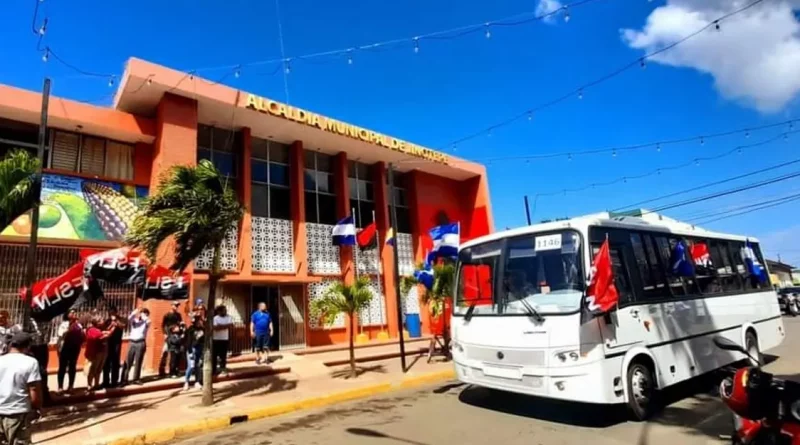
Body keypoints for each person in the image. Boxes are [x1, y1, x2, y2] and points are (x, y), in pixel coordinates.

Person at [0, 332, 42, 445]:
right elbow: (34, 390)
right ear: (28, 346)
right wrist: (36, 408)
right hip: (19, 413)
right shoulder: (31, 362)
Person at [55, 310, 84, 394]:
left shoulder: (78, 324)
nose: (74, 313)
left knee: (72, 366)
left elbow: (81, 335)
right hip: (65, 347)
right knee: (62, 367)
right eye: (72, 312)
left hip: (75, 348)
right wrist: (69, 329)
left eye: (75, 312)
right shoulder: (64, 324)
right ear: (67, 315)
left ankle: (71, 386)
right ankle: (60, 387)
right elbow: (61, 334)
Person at [121, 307, 150, 386]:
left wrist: (144, 315)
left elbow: (148, 321)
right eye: (142, 313)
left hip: (140, 342)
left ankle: (136, 379)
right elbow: (129, 318)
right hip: (132, 342)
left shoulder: (146, 322)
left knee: (138, 361)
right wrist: (136, 311)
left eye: (144, 314)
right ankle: (124, 379)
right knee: (128, 361)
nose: (142, 315)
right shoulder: (135, 321)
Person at [83, 316, 112, 392]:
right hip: (95, 353)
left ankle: (96, 384)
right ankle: (89, 385)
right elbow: (98, 337)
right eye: (101, 320)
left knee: (99, 369)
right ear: (97, 322)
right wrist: (106, 335)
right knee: (92, 369)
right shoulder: (91, 330)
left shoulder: (100, 329)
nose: (103, 321)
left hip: (103, 352)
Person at [27, 319, 51, 405]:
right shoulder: (27, 320)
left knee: (43, 371)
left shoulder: (45, 319)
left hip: (42, 346)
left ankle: (45, 394)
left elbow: (47, 333)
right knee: (33, 371)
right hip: (32, 347)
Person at [102, 306, 126, 389]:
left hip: (117, 344)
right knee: (106, 363)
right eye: (110, 313)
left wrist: (116, 321)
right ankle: (106, 381)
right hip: (108, 343)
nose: (111, 314)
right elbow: (103, 329)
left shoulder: (121, 319)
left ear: (116, 312)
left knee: (115, 362)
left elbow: (123, 326)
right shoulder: (108, 320)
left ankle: (114, 381)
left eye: (113, 312)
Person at [158, 302, 183, 377]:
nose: (176, 307)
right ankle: (161, 371)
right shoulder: (167, 315)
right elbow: (163, 325)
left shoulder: (178, 315)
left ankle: (175, 370)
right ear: (171, 305)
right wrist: (165, 334)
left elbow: (180, 324)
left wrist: (181, 330)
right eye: (175, 305)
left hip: (176, 337)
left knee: (176, 353)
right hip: (168, 336)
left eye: (177, 306)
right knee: (165, 352)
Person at [184, 316, 205, 391]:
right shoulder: (190, 329)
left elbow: (204, 340)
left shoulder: (203, 329)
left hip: (200, 348)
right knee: (191, 366)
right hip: (192, 349)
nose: (200, 322)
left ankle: (197, 381)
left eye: (201, 321)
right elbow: (188, 342)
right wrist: (190, 352)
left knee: (198, 366)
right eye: (199, 321)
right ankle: (186, 381)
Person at [212, 305, 233, 376]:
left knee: (223, 356)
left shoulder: (229, 317)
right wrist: (225, 326)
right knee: (214, 355)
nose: (225, 311)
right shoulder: (215, 318)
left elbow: (230, 326)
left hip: (225, 339)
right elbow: (215, 328)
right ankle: (214, 370)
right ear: (219, 311)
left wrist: (220, 326)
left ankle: (222, 368)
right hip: (216, 339)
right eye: (224, 310)